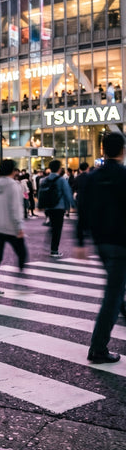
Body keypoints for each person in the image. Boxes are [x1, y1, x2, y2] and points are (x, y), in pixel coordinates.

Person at [76, 133, 126, 363]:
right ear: (122, 149)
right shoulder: (123, 175)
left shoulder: (90, 178)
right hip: (121, 242)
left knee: (116, 287)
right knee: (112, 295)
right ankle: (98, 347)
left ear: (103, 149)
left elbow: (82, 211)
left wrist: (80, 241)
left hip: (101, 243)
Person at [0, 160, 27, 296]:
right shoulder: (13, 185)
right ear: (13, 170)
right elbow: (15, 207)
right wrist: (19, 227)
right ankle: (21, 282)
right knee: (22, 253)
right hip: (10, 227)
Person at [37, 159, 73, 258]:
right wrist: (71, 205)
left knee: (53, 227)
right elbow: (67, 193)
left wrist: (40, 206)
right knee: (57, 229)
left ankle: (49, 245)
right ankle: (54, 250)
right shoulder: (61, 180)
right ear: (59, 169)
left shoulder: (45, 179)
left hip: (48, 208)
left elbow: (40, 193)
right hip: (58, 207)